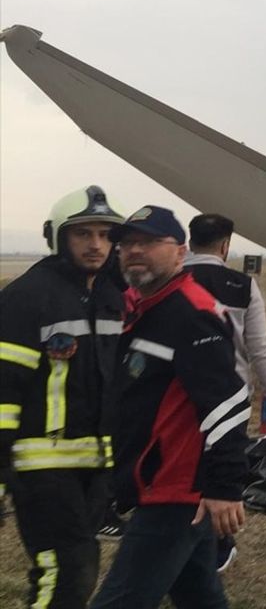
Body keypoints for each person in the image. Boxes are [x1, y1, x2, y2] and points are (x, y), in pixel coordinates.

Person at [89, 206, 250, 609]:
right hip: (159, 484)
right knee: (198, 595)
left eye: (148, 242)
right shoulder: (148, 308)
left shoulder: (190, 313)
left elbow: (227, 401)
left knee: (120, 600)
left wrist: (224, 487)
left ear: (180, 252)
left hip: (175, 491)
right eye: (126, 244)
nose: (134, 251)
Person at [1, 186, 125, 609]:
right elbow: (3, 387)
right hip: (42, 467)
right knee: (68, 571)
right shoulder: (26, 298)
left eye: (106, 235)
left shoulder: (116, 298)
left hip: (96, 466)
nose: (97, 245)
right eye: (83, 234)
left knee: (71, 569)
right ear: (58, 237)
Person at [183, 212, 266, 573]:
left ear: (190, 241)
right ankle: (219, 544)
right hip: (231, 396)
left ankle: (190, 533)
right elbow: (260, 346)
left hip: (180, 395)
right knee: (221, 468)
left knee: (185, 467)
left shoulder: (173, 279)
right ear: (225, 246)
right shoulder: (243, 285)